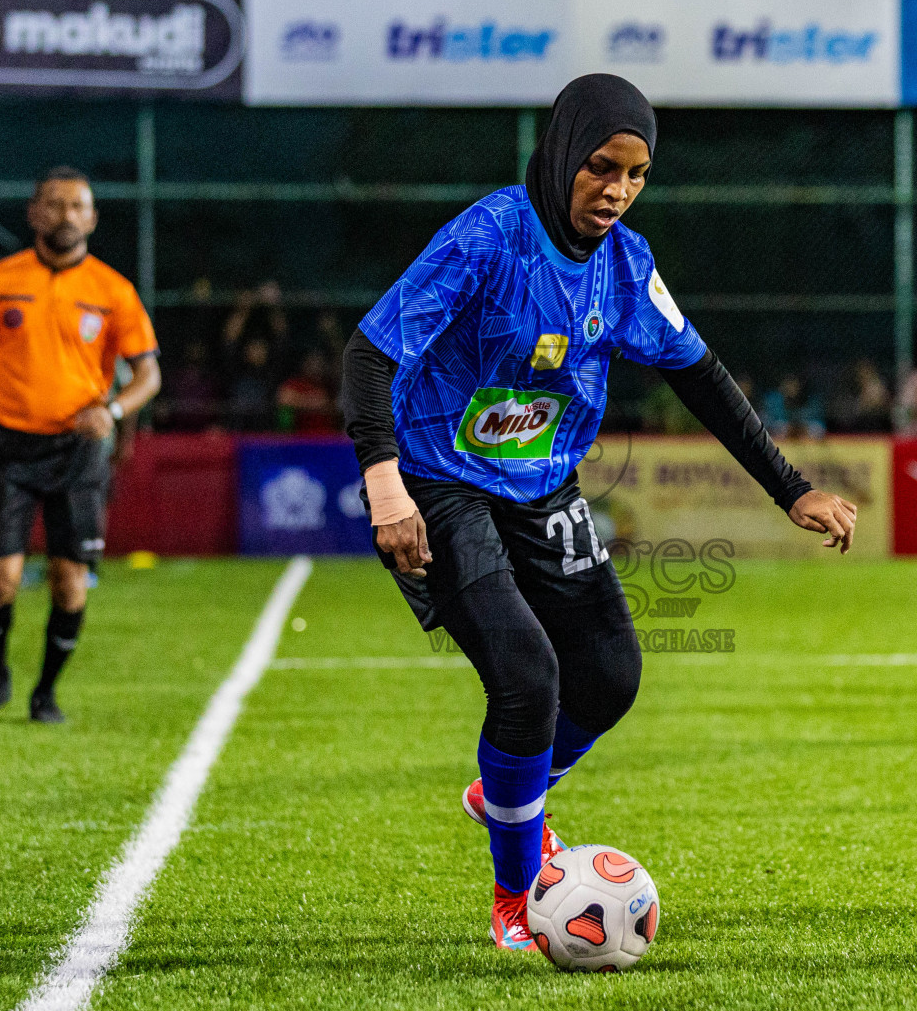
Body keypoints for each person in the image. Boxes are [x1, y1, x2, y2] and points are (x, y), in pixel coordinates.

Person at [341, 74, 857, 951]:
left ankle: (510, 790)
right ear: (560, 154)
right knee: (525, 676)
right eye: (600, 168)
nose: (615, 191)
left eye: (637, 174)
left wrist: (792, 488)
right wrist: (385, 485)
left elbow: (701, 376)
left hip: (544, 491)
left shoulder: (627, 266)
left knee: (612, 675)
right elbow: (371, 352)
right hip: (441, 483)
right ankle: (518, 897)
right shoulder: (489, 237)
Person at [0, 166, 161, 724]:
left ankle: (46, 693)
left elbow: (148, 376)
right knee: (1, 577)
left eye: (77, 206)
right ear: (35, 213)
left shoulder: (114, 290)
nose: (66, 214)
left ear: (91, 217)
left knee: (69, 584)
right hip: (9, 446)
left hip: (77, 453)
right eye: (55, 204)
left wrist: (111, 410)